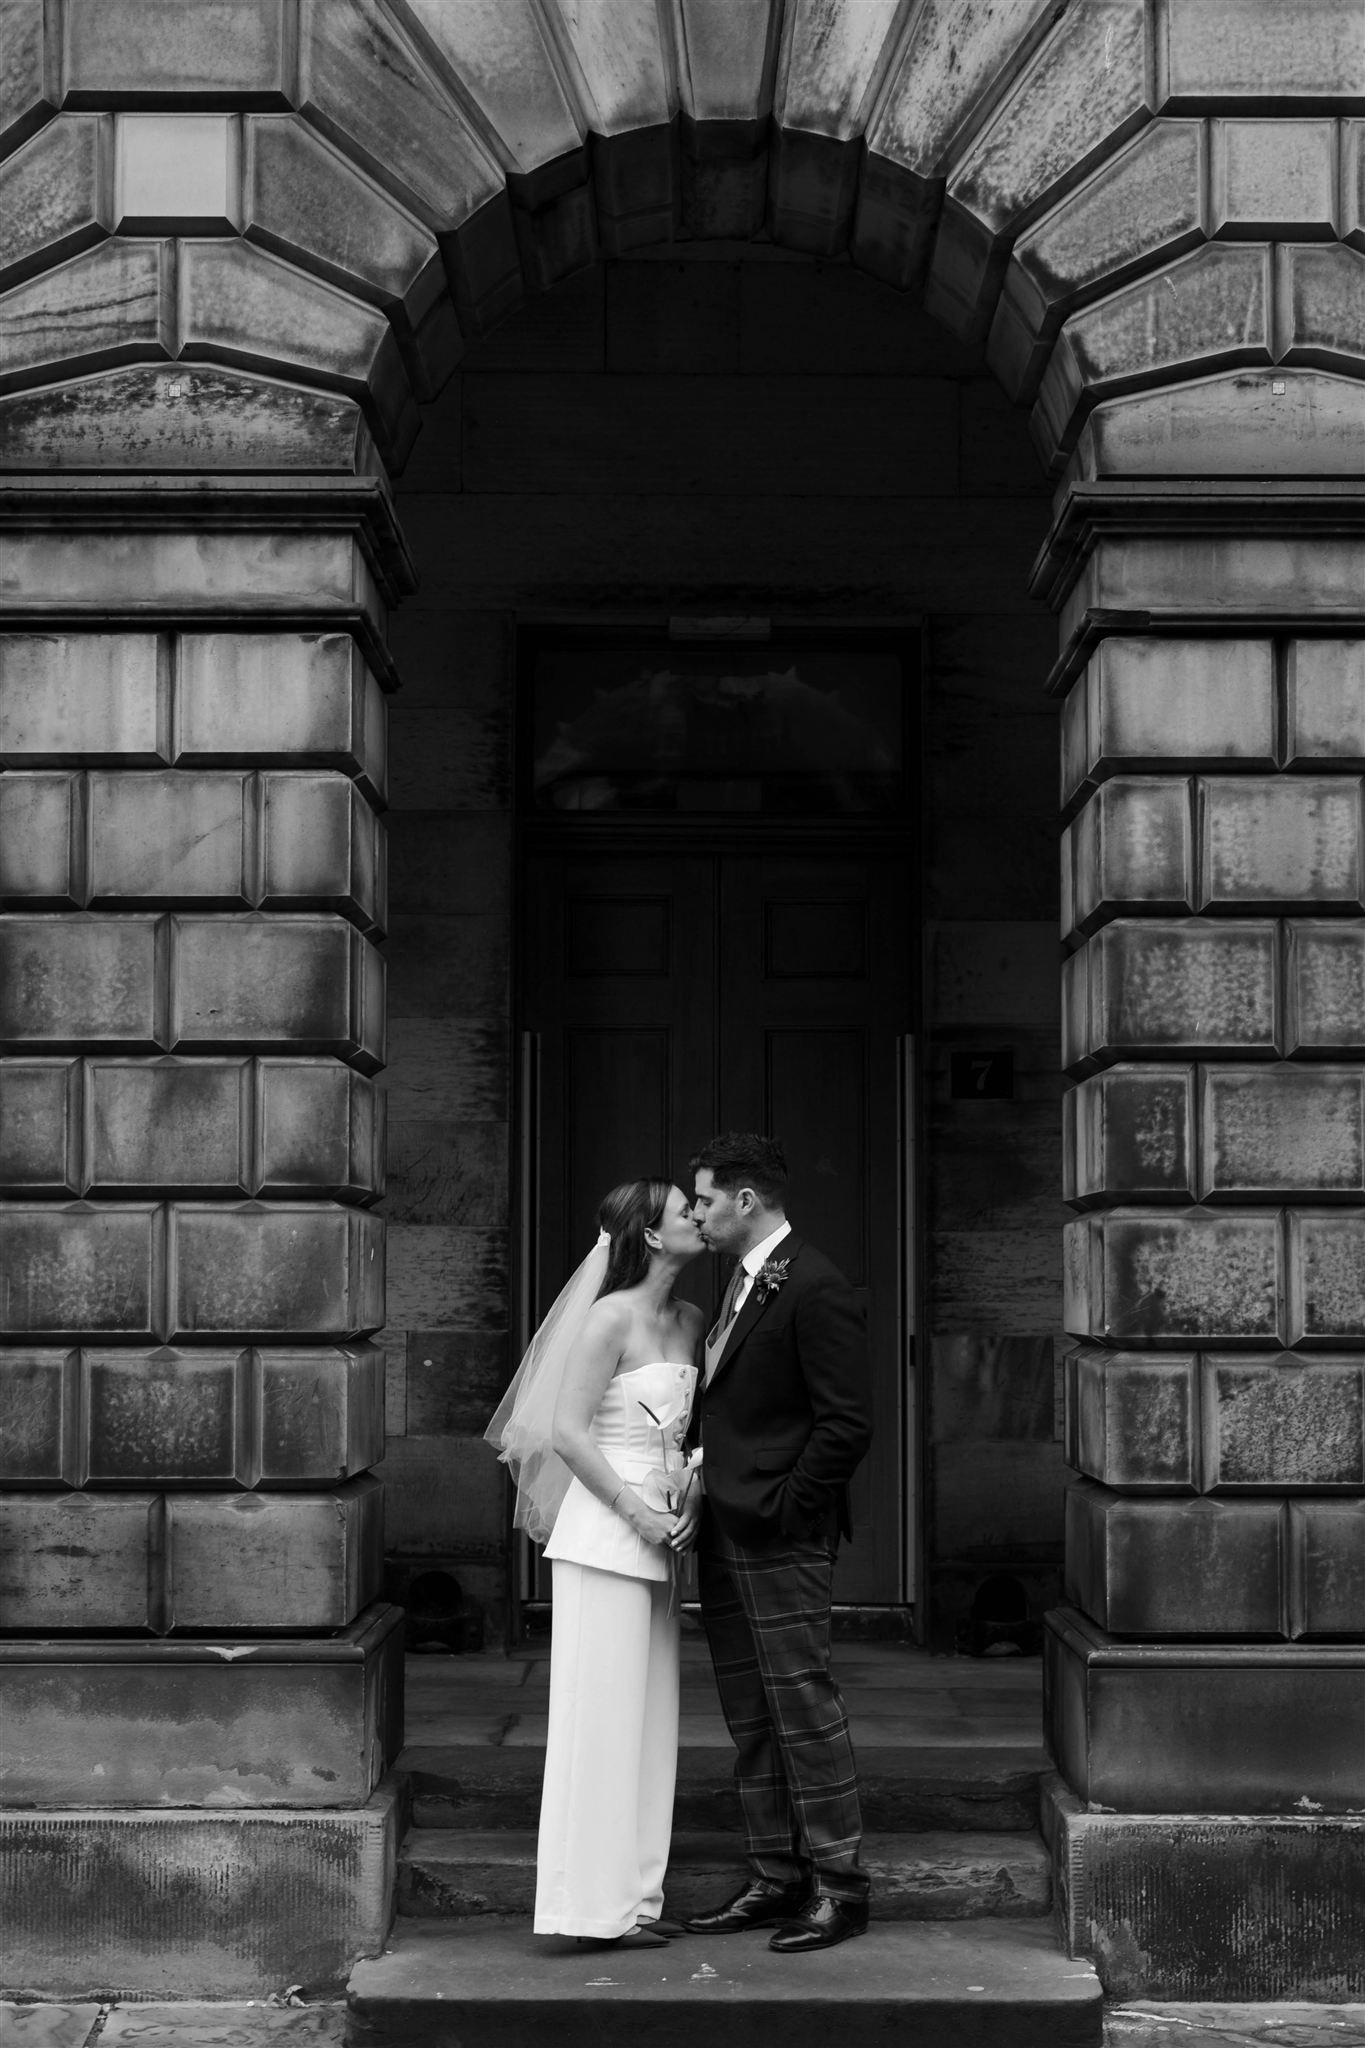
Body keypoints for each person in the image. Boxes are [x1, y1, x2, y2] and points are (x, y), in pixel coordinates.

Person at [484, 1178, 705, 1950]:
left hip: (665, 1536)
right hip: (604, 1536)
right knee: (599, 1723)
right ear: (651, 1234)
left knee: (651, 1725)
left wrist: (690, 1492)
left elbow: (691, 1431)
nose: (698, 1217)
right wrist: (635, 1511)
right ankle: (584, 1909)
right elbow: (568, 1433)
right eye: (684, 1210)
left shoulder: (691, 1319)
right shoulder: (607, 1318)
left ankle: (635, 1901)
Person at [685, 1132, 873, 1953]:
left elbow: (846, 1424)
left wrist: (785, 1507)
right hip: (726, 1531)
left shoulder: (815, 1284)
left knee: (802, 1706)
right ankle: (774, 1877)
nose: (696, 1214)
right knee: (751, 1714)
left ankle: (840, 1887)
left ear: (745, 1200)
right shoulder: (739, 1279)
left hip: (781, 1533)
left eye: (704, 1200)